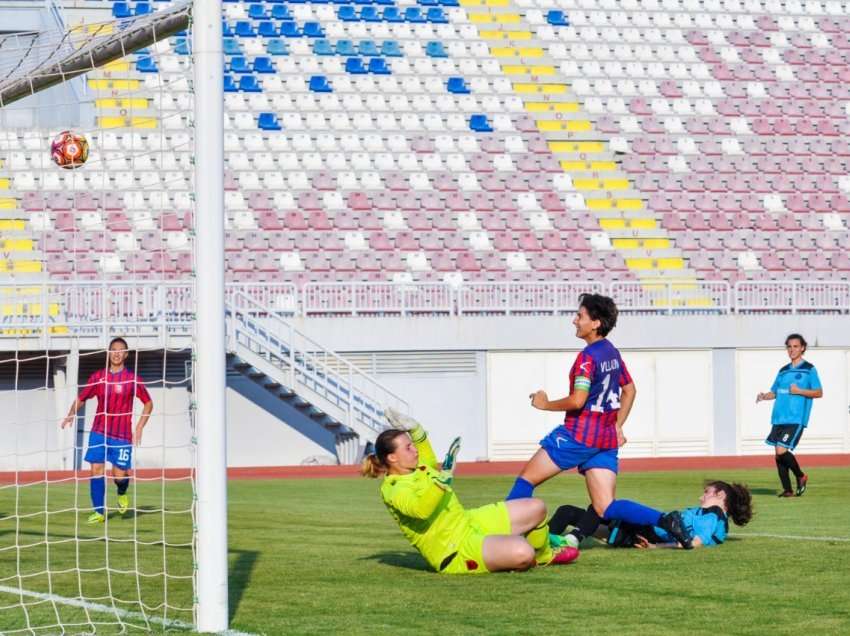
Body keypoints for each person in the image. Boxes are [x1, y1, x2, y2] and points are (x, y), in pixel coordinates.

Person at [505, 294, 692, 549]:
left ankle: (506, 537)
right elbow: (630, 390)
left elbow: (578, 400)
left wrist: (545, 404)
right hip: (604, 440)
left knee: (525, 481)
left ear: (595, 323)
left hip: (578, 436)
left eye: (579, 316)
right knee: (605, 506)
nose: (574, 320)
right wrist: (617, 425)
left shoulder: (587, 358)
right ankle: (667, 519)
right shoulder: (611, 352)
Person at [361, 408, 578, 574]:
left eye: (412, 444)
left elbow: (425, 451)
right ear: (392, 457)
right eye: (408, 447)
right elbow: (420, 510)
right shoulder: (392, 489)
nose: (415, 450)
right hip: (455, 552)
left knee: (537, 507)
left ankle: (545, 556)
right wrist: (442, 480)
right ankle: (525, 553)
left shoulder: (418, 467)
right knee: (523, 552)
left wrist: (416, 429)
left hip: (469, 522)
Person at [61, 337, 153, 524]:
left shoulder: (132, 379)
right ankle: (99, 512)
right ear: (109, 353)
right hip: (99, 431)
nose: (117, 353)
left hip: (122, 435)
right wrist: (71, 414)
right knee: (96, 468)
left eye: (121, 350)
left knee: (119, 476)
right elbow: (82, 398)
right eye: (113, 350)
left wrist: (140, 426)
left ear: (126, 354)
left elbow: (148, 403)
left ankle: (122, 491)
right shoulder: (98, 377)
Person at [549, 480, 753, 549]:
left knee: (600, 507)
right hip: (642, 530)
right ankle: (547, 544)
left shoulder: (714, 514)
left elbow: (694, 542)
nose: (701, 497)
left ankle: (559, 542)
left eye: (707, 492)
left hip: (645, 532)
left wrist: (657, 546)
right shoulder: (710, 514)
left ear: (720, 495)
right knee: (571, 511)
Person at [757, 333, 822, 497]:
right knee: (778, 456)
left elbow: (819, 392)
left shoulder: (809, 369)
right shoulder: (783, 371)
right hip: (779, 418)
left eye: (795, 346)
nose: (792, 349)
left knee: (781, 450)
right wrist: (765, 396)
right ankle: (787, 490)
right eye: (789, 346)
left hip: (795, 418)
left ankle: (800, 476)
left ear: (802, 348)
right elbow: (775, 392)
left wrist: (799, 391)